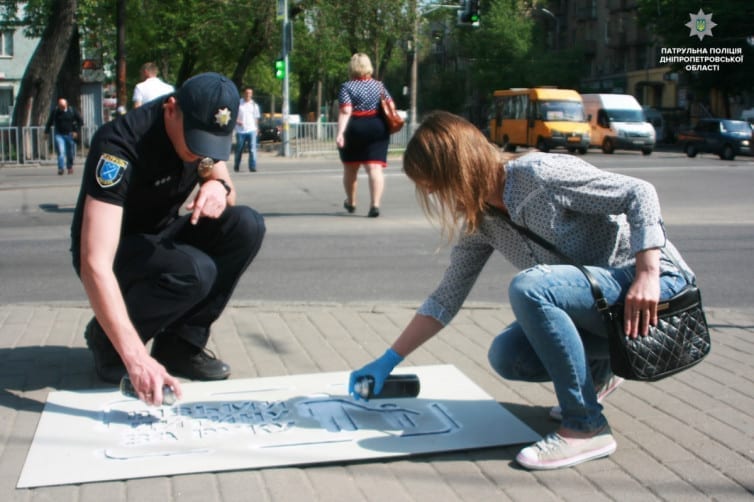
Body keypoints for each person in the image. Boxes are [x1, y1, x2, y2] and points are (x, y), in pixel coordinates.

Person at [348, 111, 696, 470]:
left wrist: (647, 273)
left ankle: (585, 426)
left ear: (457, 169)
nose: (438, 197)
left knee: (531, 288)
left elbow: (640, 193)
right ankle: (600, 372)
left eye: (436, 185)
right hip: (606, 308)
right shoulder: (482, 219)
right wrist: (388, 361)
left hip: (655, 289)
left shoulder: (540, 176)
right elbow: (445, 298)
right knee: (509, 354)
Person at [71, 72, 266, 406]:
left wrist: (217, 186)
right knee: (194, 271)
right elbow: (94, 262)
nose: (200, 154)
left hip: (159, 236)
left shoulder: (197, 130)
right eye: (195, 142)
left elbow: (222, 181)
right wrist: (135, 358)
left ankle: (179, 346)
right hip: (116, 250)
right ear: (171, 109)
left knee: (246, 225)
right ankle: (107, 341)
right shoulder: (119, 146)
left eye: (211, 144)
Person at [336, 53, 396, 218]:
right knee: (375, 168)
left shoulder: (347, 87)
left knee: (350, 168)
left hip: (354, 128)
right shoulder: (379, 86)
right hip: (377, 127)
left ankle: (351, 201)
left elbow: (346, 110)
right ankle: (374, 205)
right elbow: (391, 105)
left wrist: (340, 133)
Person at [45, 98, 83, 175]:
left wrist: (76, 131)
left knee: (70, 153)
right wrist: (46, 132)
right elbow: (49, 122)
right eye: (59, 105)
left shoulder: (72, 111)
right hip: (59, 135)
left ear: (66, 105)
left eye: (62, 106)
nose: (61, 107)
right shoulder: (56, 112)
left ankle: (69, 166)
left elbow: (80, 121)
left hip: (70, 135)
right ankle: (61, 168)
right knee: (61, 152)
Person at [234, 86, 261, 172]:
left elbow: (256, 118)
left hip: (251, 129)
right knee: (239, 149)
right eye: (247, 93)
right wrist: (237, 121)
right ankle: (236, 166)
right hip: (240, 130)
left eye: (250, 93)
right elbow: (233, 115)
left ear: (252, 94)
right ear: (243, 94)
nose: (248, 95)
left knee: (252, 149)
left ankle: (252, 167)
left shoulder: (254, 105)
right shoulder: (238, 104)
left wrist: (256, 128)